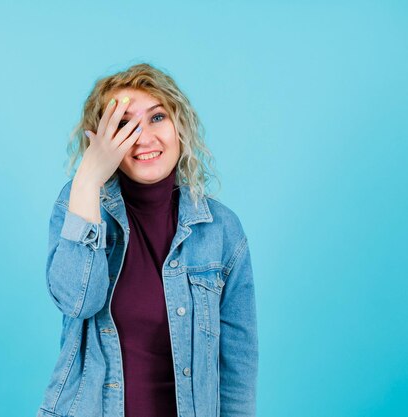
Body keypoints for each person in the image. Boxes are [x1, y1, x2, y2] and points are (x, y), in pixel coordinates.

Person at [36, 63, 258, 417]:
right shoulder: (78, 203)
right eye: (123, 124)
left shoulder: (222, 230)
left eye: (157, 118)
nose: (143, 137)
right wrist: (88, 180)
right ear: (101, 140)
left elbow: (238, 367)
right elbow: (76, 302)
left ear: (179, 125)